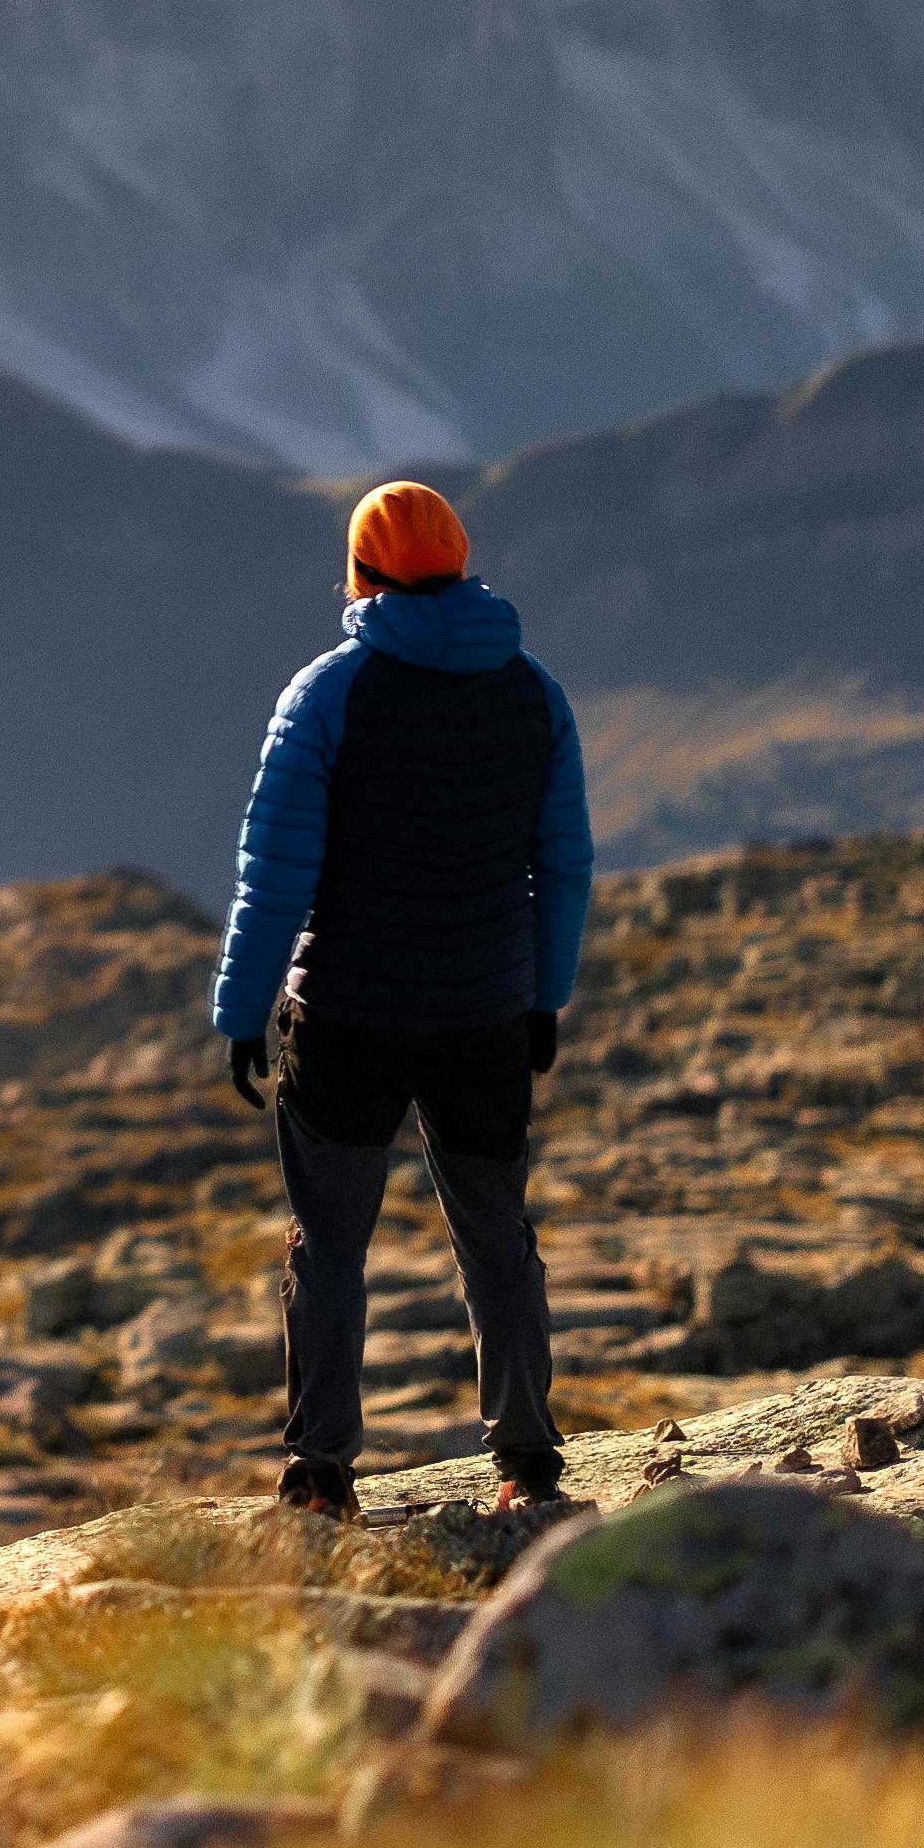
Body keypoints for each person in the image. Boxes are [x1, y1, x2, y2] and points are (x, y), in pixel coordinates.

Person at [203, 477, 592, 1516]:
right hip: (482, 1015)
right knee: (495, 1238)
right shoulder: (533, 692)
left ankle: (322, 1475)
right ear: (460, 566)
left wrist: (242, 1011)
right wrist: (543, 993)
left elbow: (275, 872)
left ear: (362, 575)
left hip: (348, 1018)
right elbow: (563, 863)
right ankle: (527, 1461)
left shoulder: (328, 695)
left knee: (329, 1245)